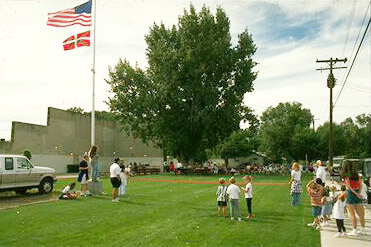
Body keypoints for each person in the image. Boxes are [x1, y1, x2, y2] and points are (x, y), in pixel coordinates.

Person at [341, 160, 366, 235]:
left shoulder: (347, 175)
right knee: (360, 214)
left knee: (352, 214)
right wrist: (358, 193)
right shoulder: (356, 174)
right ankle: (363, 229)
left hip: (350, 194)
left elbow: (348, 186)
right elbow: (360, 184)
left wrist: (355, 193)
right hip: (357, 192)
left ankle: (354, 230)